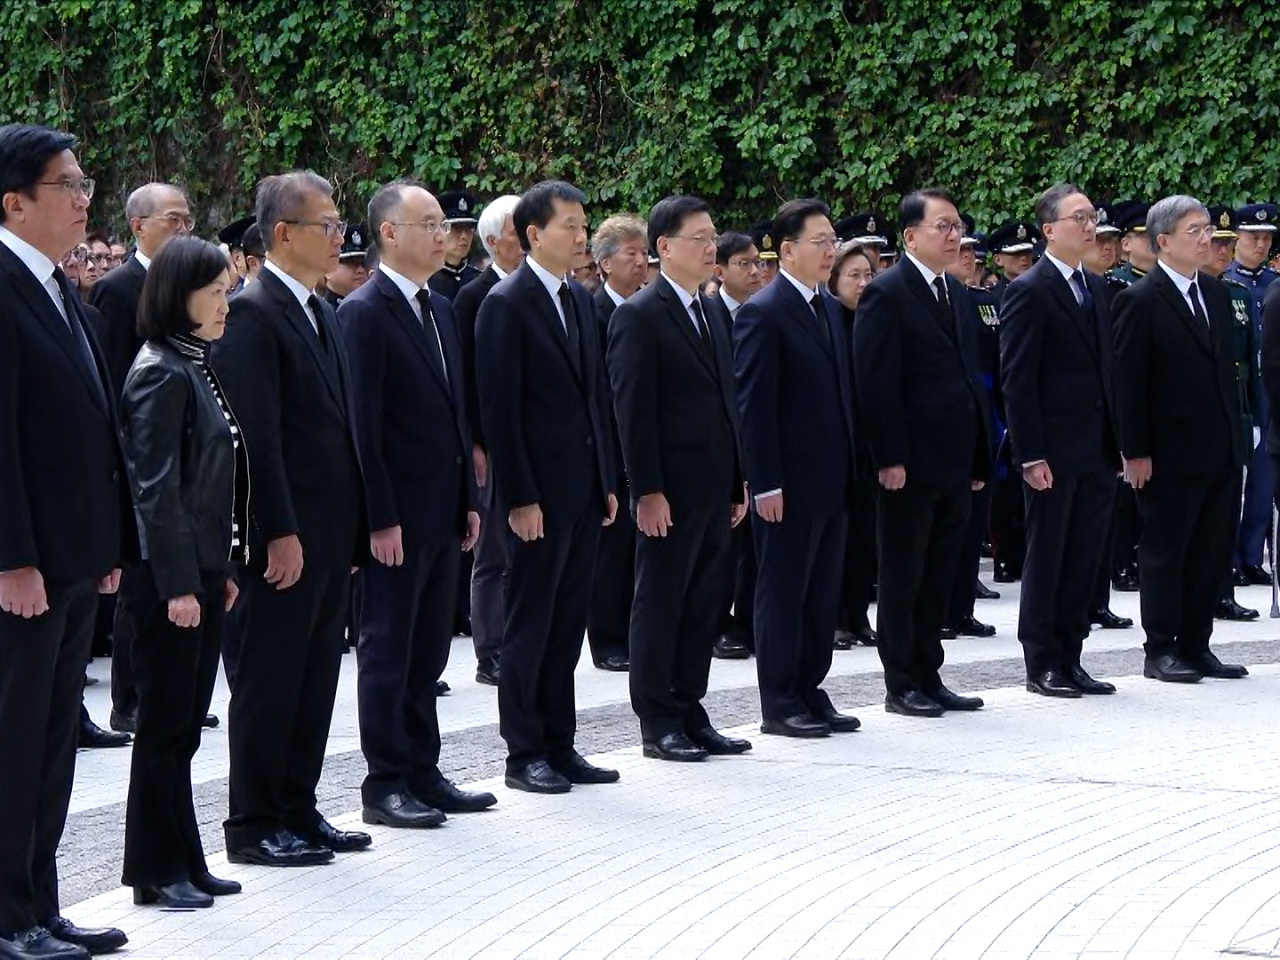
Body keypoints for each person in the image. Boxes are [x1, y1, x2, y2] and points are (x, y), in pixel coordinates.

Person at [211, 170, 371, 865]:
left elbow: (340, 432)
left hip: (328, 534)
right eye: (326, 225)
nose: (339, 237)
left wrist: (354, 528)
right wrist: (277, 530)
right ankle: (253, 822)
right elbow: (256, 435)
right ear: (283, 234)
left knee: (314, 680)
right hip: (285, 536)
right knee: (270, 681)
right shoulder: (254, 311)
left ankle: (299, 808)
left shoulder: (321, 309)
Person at [0, 123, 131, 960]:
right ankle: (8, 918)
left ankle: (41, 904)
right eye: (66, 185)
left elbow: (91, 426)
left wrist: (105, 539)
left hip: (73, 556)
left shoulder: (59, 289)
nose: (85, 199)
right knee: (13, 742)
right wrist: (11, 556)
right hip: (26, 565)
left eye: (85, 183)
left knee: (52, 738)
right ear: (13, 202)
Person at [339, 181, 490, 828]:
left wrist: (469, 500)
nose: (443, 234)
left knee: (429, 651)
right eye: (426, 223)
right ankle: (387, 782)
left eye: (444, 225)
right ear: (389, 234)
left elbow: (454, 413)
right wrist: (379, 517)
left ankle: (424, 769)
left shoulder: (443, 308)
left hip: (441, 508)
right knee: (387, 649)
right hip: (394, 518)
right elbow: (363, 428)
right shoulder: (365, 312)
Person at [475, 180, 619, 793]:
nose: (582, 235)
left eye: (584, 225)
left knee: (568, 621)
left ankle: (561, 742)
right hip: (537, 494)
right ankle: (524, 750)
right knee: (530, 623)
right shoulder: (506, 304)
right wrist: (520, 498)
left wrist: (607, 480)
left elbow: (596, 399)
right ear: (534, 234)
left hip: (583, 488)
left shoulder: (581, 302)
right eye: (570, 225)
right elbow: (501, 413)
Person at [118, 237, 246, 909]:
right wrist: (177, 583)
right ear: (180, 296)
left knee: (185, 727)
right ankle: (153, 868)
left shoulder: (196, 364)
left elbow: (206, 484)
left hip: (197, 572)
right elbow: (155, 490)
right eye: (216, 292)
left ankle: (184, 858)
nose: (227, 303)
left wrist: (215, 567)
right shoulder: (160, 371)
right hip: (167, 582)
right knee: (165, 728)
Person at [607, 195, 749, 761]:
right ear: (664, 247)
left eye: (714, 236)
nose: (711, 246)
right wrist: (647, 489)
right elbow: (632, 412)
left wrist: (738, 477)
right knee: (661, 600)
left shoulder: (712, 308)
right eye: (699, 237)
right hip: (669, 487)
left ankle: (690, 706)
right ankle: (657, 718)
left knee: (704, 601)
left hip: (714, 485)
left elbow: (727, 400)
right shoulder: (639, 315)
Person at [852, 189, 992, 718]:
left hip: (954, 460)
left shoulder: (956, 293)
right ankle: (902, 680)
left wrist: (979, 455)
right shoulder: (886, 293)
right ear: (911, 236)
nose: (955, 236)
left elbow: (969, 382)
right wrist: (888, 456)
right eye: (943, 227)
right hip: (909, 463)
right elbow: (876, 382)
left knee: (941, 572)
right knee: (904, 572)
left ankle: (929, 672)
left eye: (958, 227)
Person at [734, 200, 859, 738]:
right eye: (821, 241)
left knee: (821, 592)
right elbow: (754, 407)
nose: (832, 249)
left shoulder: (828, 306)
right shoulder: (764, 311)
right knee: (783, 592)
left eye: (833, 240)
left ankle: (811, 686)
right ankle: (780, 699)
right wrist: (765, 482)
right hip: (787, 482)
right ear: (787, 250)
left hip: (831, 477)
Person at [1113, 195, 1248, 684]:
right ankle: (1162, 647)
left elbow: (1225, 375)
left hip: (1218, 448)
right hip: (1168, 453)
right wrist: (1135, 449)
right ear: (1163, 241)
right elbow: (1128, 383)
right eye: (1194, 230)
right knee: (1167, 549)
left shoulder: (1214, 293)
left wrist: (1237, 440)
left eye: (1207, 228)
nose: (1206, 237)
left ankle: (1197, 642)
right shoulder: (1139, 300)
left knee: (1210, 549)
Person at [999, 185, 1121, 698]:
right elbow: (1018, 379)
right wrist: (1030, 453)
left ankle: (1072, 653)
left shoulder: (1094, 288)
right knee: (1048, 554)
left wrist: (1116, 443)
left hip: (1094, 448)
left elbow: (1105, 373)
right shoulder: (1030, 289)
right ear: (1049, 230)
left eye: (1092, 217)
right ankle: (1042, 659)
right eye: (1078, 218)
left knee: (1084, 555)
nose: (1090, 226)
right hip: (1052, 449)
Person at [453, 194, 523, 687]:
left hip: (528, 441)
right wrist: (475, 441)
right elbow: (465, 377)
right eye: (520, 235)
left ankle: (518, 639)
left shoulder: (542, 293)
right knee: (493, 552)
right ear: (494, 241)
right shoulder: (474, 296)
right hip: (490, 443)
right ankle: (490, 650)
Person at [587, 214, 649, 673]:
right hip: (606, 440)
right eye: (630, 253)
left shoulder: (646, 309)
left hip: (639, 442)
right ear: (604, 263)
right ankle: (607, 638)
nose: (640, 261)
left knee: (636, 550)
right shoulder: (594, 311)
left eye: (644, 252)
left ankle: (631, 630)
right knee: (610, 551)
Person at [709, 232, 765, 659]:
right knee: (722, 546)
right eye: (743, 264)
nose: (754, 272)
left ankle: (747, 617)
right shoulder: (711, 315)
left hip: (757, 445)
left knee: (753, 546)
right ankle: (717, 623)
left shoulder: (764, 313)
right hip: (724, 445)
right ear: (720, 270)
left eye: (757, 264)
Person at [1204, 206, 1261, 620]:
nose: (1222, 251)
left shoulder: (1237, 295)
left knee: (1228, 509)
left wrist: (1256, 416)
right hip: (1200, 415)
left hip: (1236, 411)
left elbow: (1250, 362)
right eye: (1216, 243)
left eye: (1227, 244)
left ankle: (1223, 589)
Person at [1225, 203, 1279, 587]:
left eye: (1266, 237)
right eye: (1253, 236)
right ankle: (1228, 561)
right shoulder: (1226, 282)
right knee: (1232, 486)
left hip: (1268, 394)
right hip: (1240, 393)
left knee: (1263, 484)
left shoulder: (1270, 284)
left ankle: (1251, 555)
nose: (1260, 244)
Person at [830, 241, 878, 650]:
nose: (863, 283)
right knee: (838, 537)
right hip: (836, 443)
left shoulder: (875, 319)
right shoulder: (829, 321)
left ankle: (858, 613)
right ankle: (835, 618)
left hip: (871, 442)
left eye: (868, 275)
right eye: (854, 275)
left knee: (866, 534)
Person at [428, 189, 482, 302]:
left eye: (468, 228)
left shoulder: (479, 279)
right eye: (456, 228)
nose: (464, 236)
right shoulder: (426, 281)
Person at [323, 223, 371, 308]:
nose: (361, 270)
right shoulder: (322, 312)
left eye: (363, 263)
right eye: (351, 263)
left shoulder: (370, 306)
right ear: (328, 269)